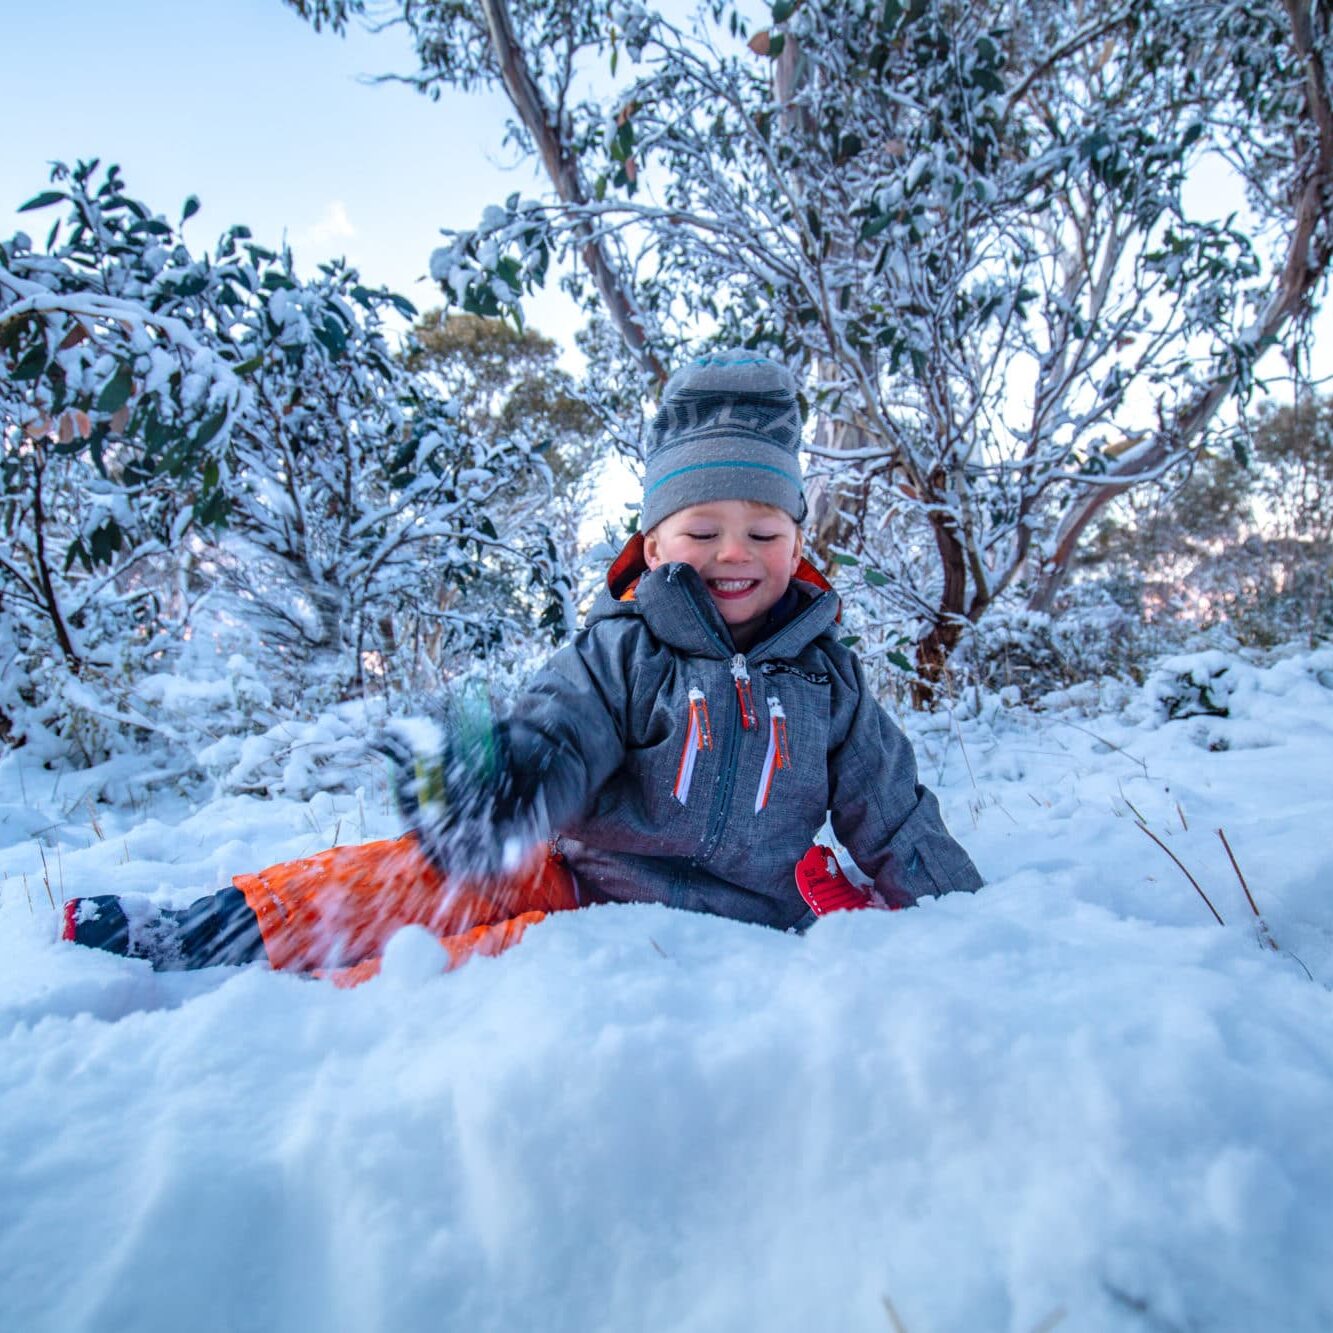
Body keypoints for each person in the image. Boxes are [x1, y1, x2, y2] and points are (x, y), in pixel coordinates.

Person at [62, 350, 982, 985]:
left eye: (764, 531)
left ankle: (316, 1008)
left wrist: (964, 921)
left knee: (494, 960)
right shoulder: (623, 648)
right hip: (586, 878)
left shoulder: (829, 681)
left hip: (742, 929)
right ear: (654, 541)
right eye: (702, 531)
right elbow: (560, 730)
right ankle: (210, 933)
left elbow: (891, 808)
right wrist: (508, 781)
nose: (733, 552)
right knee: (428, 879)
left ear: (796, 540)